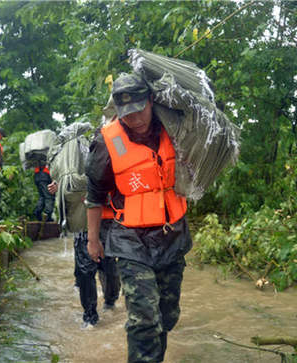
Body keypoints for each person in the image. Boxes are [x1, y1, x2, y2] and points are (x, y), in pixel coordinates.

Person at [86, 73, 192, 362]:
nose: (134, 119)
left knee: (166, 318)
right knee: (144, 320)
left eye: (139, 111)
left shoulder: (176, 127)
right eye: (126, 115)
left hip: (172, 234)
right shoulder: (107, 142)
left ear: (151, 101)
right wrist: (93, 240)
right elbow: (94, 195)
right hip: (130, 239)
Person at [47, 181, 121, 330]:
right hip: (83, 219)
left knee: (109, 267)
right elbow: (68, 175)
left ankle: (110, 302)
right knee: (85, 271)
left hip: (109, 218)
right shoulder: (76, 159)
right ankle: (90, 317)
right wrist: (61, 185)